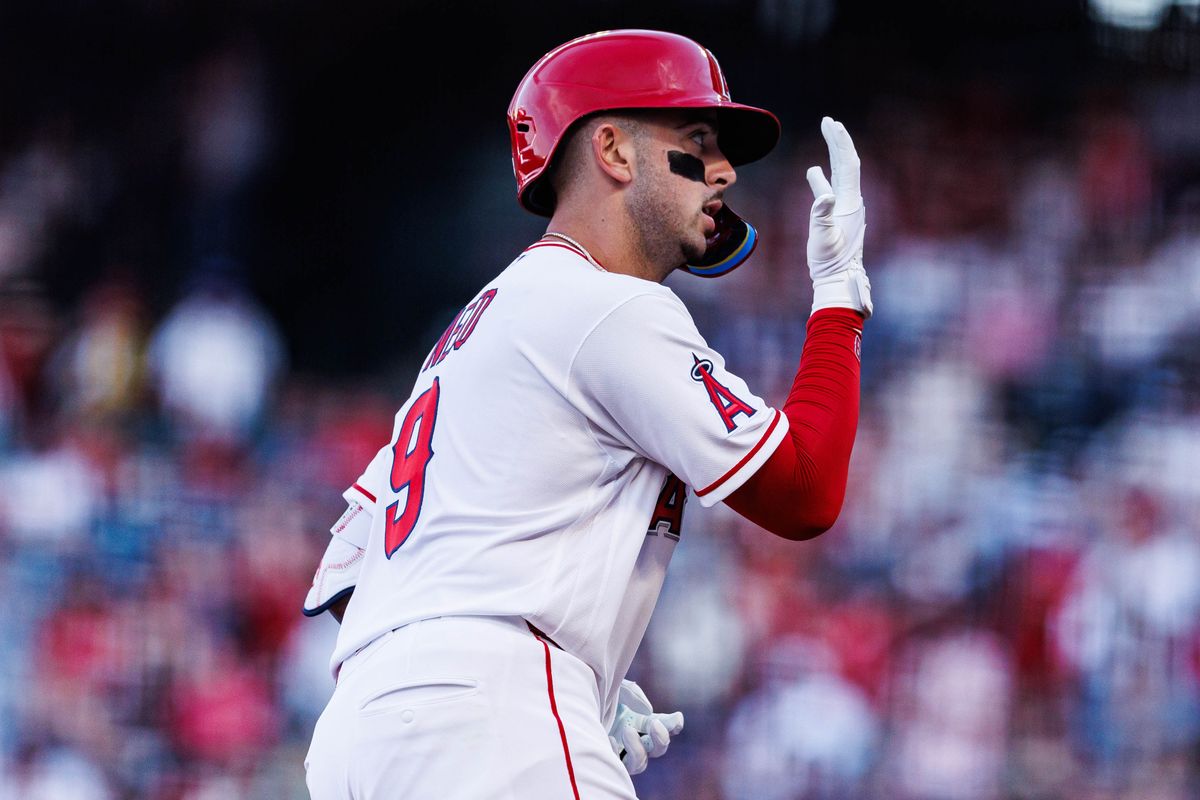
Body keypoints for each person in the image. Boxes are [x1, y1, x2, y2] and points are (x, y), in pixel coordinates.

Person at [302, 29, 872, 800]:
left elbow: (344, 573)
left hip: (357, 738)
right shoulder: (608, 306)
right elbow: (805, 492)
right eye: (698, 140)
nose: (726, 171)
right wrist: (838, 300)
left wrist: (548, 676)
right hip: (490, 716)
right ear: (613, 149)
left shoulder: (471, 332)